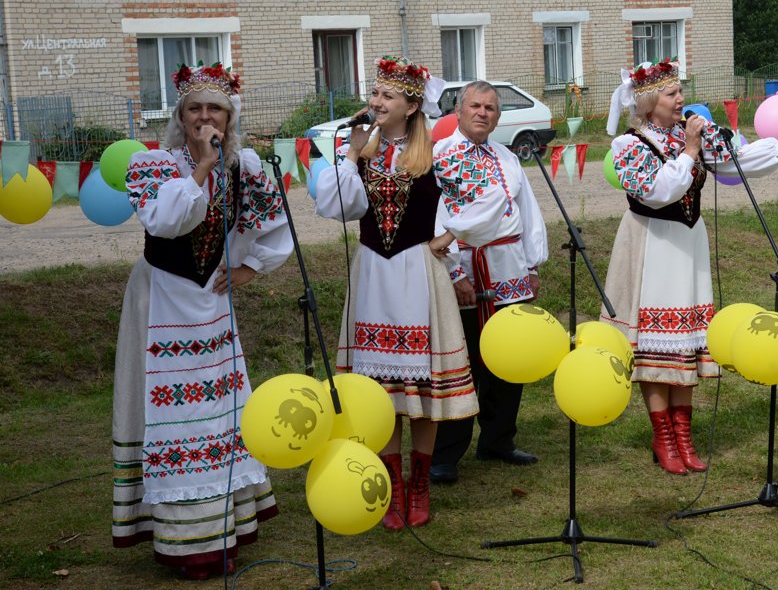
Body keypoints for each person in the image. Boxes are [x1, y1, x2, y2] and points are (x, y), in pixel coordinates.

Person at [600, 59, 778, 475]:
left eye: (680, 92)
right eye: (672, 94)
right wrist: (689, 150)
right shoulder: (629, 145)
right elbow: (658, 191)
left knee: (685, 342)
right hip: (653, 245)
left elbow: (736, 160)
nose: (681, 99)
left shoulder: (688, 135)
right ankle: (663, 436)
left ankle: (684, 436)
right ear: (651, 102)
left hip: (689, 244)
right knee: (656, 346)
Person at [112, 63, 292, 579]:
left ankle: (224, 528)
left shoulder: (247, 166)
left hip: (212, 302)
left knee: (218, 410)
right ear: (180, 116)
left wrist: (249, 267)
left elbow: (275, 228)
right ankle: (184, 539)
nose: (205, 116)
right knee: (169, 413)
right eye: (196, 108)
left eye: (216, 108)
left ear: (230, 117)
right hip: (160, 304)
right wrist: (201, 168)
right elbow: (168, 221)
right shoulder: (154, 166)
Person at [315, 56, 478, 530]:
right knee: (379, 391)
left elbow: (482, 199)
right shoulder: (361, 154)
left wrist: (450, 234)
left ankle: (421, 483)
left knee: (419, 387)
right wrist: (350, 153)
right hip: (373, 273)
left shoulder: (437, 151)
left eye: (387, 96)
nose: (376, 102)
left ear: (410, 106)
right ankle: (391, 484)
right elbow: (336, 206)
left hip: (417, 271)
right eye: (374, 95)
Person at [428, 81, 549, 484]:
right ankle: (447, 451)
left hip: (509, 267)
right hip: (464, 264)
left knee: (508, 358)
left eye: (491, 108)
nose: (483, 113)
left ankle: (498, 439)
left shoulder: (507, 157)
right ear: (459, 112)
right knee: (461, 363)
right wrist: (455, 272)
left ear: (499, 117)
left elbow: (526, 210)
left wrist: (533, 263)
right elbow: (437, 219)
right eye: (476, 106)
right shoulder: (440, 157)